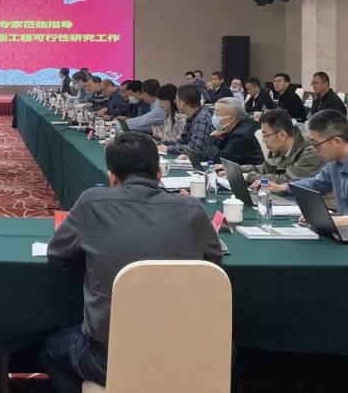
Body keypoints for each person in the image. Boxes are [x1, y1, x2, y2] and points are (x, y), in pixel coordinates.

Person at [41, 132, 221, 393]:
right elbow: (213, 262)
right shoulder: (193, 209)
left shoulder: (92, 202)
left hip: (110, 358)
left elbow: (57, 254)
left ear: (112, 177)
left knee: (50, 350)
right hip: (189, 354)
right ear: (159, 174)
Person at [240, 109, 324, 185]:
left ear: (282, 135)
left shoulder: (311, 149)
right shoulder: (280, 147)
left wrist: (250, 177)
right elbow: (266, 168)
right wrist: (237, 170)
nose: (263, 140)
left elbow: (289, 180)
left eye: (265, 135)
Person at [158, 84, 214, 160]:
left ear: (182, 104)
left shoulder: (201, 119)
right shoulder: (192, 115)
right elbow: (183, 140)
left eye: (176, 101)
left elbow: (194, 149)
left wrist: (168, 149)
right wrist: (164, 143)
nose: (175, 103)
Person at [208, 97, 263, 165]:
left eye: (217, 114)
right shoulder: (225, 130)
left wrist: (211, 138)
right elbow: (214, 153)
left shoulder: (241, 135)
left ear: (232, 118)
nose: (214, 117)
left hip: (248, 171)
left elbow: (220, 160)